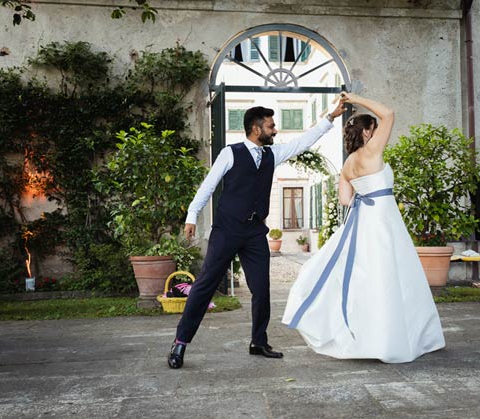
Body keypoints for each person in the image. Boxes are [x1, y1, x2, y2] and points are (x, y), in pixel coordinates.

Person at [168, 101, 346, 369]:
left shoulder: (273, 154)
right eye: (271, 126)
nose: (275, 130)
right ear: (255, 128)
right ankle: (181, 342)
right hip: (227, 230)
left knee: (261, 288)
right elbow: (208, 186)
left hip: (254, 232)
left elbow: (304, 141)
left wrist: (330, 117)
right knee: (205, 286)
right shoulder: (230, 153)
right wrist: (192, 215)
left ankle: (258, 341)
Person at [282, 92, 445, 363]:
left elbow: (346, 200)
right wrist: (356, 98)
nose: (378, 131)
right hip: (383, 219)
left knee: (369, 277)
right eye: (374, 128)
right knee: (394, 274)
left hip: (361, 222)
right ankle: (397, 338)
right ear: (368, 133)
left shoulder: (348, 164)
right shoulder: (372, 151)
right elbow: (389, 113)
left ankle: (367, 335)